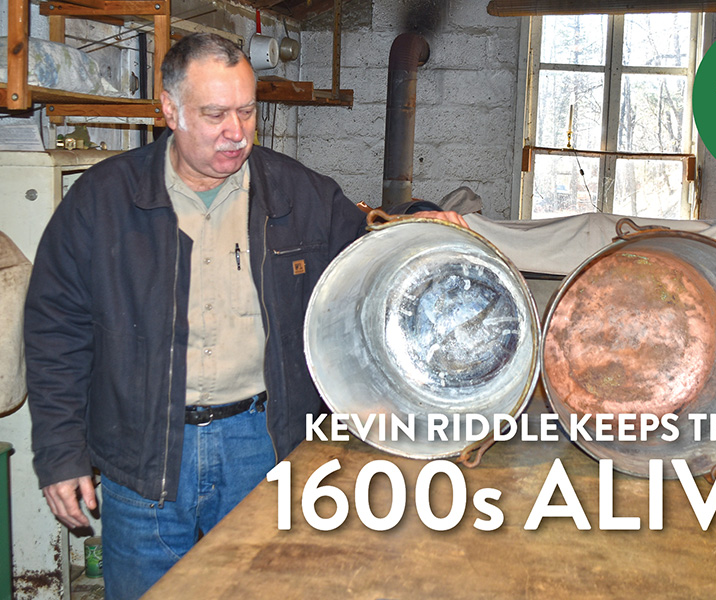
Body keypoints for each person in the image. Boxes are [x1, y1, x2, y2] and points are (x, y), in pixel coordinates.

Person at [24, 32, 465, 599]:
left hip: (262, 443)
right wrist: (61, 454)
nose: (236, 132)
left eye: (247, 111)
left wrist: (420, 218)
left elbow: (367, 246)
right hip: (145, 450)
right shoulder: (103, 201)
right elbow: (56, 331)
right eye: (215, 115)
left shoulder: (295, 192)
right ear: (170, 110)